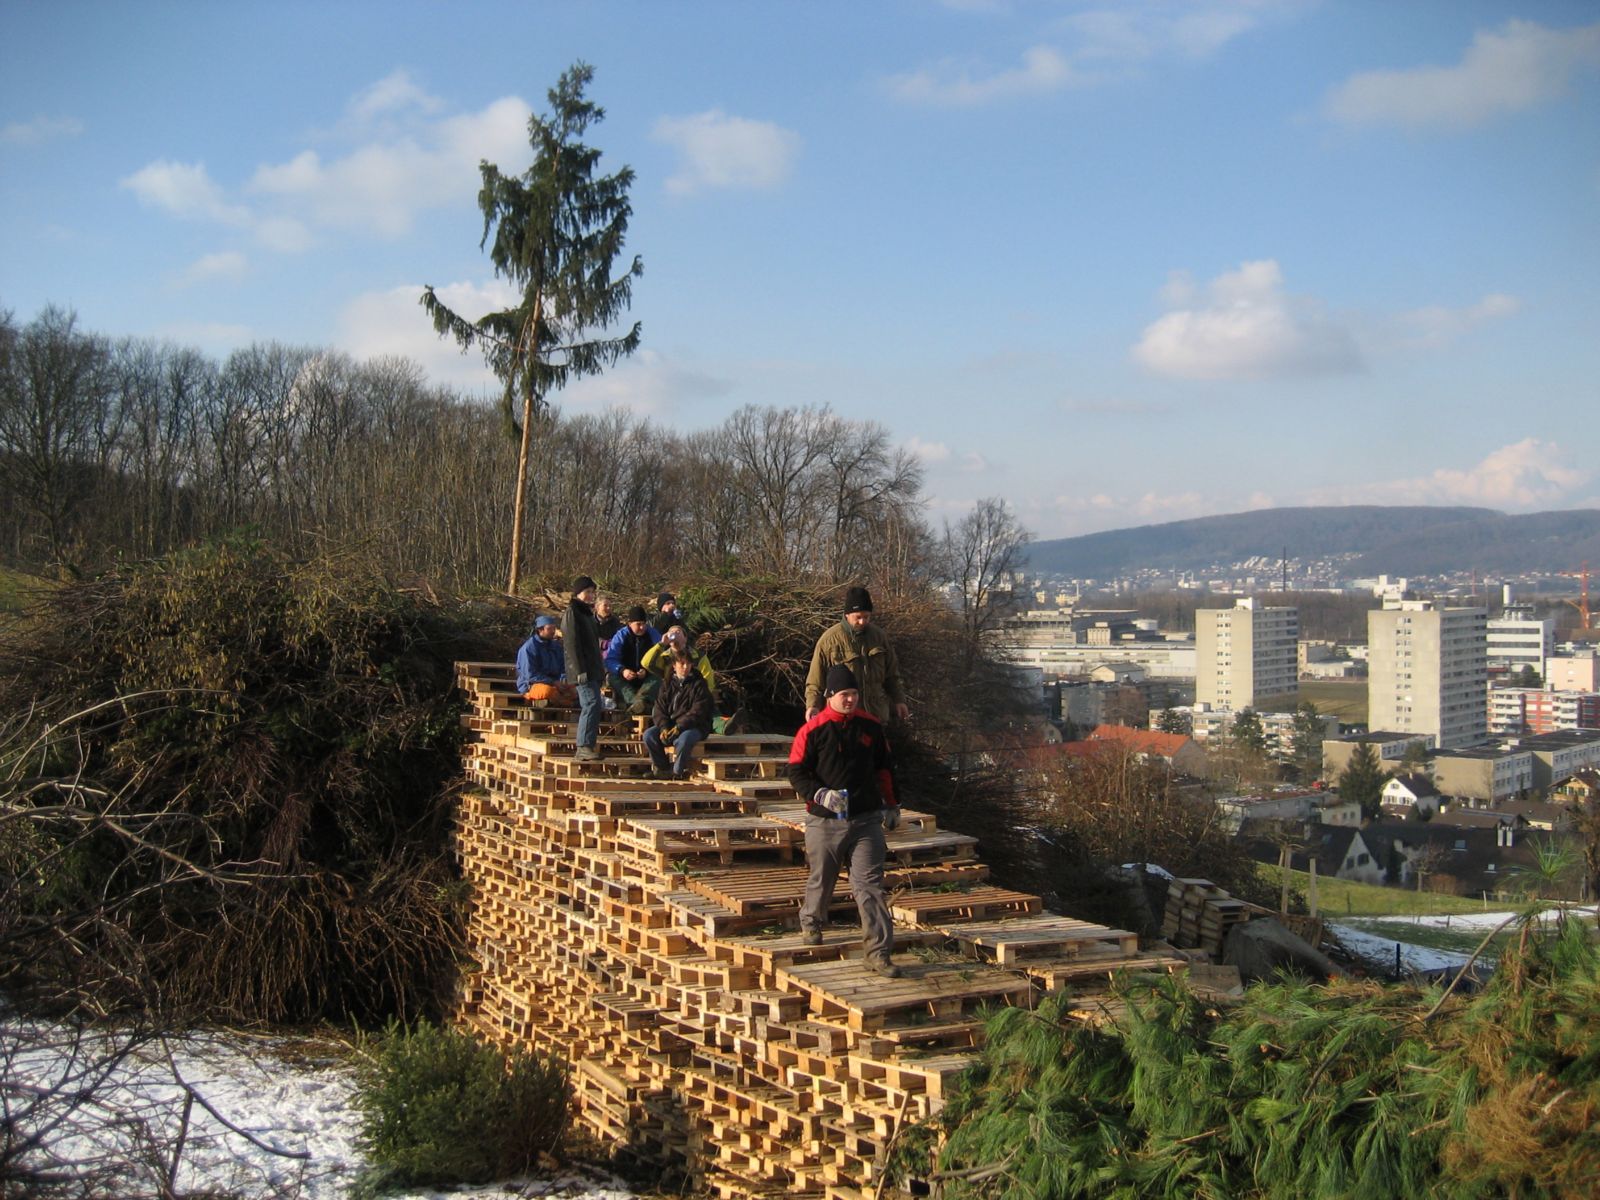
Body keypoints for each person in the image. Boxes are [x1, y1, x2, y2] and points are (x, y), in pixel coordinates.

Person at [787, 663, 903, 977]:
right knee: (822, 877)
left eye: (853, 694)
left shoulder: (871, 726)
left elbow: (885, 768)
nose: (850, 699)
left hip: (866, 820)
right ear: (829, 696)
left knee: (870, 887)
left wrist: (892, 804)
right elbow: (795, 771)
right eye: (843, 694)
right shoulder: (813, 730)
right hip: (824, 821)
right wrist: (819, 794)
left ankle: (878, 954)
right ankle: (811, 921)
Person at [804, 586, 909, 726]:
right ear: (847, 614)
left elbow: (892, 676)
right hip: (843, 720)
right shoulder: (829, 640)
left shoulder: (879, 637)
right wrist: (813, 705)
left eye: (866, 617)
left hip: (876, 717)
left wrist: (899, 700)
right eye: (858, 617)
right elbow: (815, 681)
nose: (862, 621)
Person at [644, 651, 714, 780]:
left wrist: (679, 727)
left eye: (688, 664)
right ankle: (662, 769)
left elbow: (698, 711)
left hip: (695, 726)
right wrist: (664, 727)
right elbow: (659, 708)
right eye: (682, 664)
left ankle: (677, 772)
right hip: (671, 725)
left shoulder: (699, 684)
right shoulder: (667, 683)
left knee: (684, 739)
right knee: (649, 735)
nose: (685, 667)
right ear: (674, 665)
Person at [561, 575, 605, 760]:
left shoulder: (586, 614)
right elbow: (571, 644)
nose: (591, 595)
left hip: (592, 669)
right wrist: (579, 671)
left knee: (594, 704)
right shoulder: (573, 612)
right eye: (587, 592)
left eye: (592, 592)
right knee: (591, 703)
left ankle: (587, 745)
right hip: (582, 671)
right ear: (578, 593)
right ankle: (583, 746)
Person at [605, 605, 662, 715]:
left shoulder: (653, 635)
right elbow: (611, 659)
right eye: (638, 624)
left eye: (644, 624)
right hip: (624, 676)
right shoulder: (621, 636)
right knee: (612, 678)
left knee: (659, 677)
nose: (642, 627)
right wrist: (622, 670)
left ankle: (639, 702)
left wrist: (647, 671)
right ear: (630, 623)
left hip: (646, 677)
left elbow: (661, 657)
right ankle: (637, 702)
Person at [515, 615, 577, 706]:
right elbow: (530, 675)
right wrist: (552, 682)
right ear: (540, 630)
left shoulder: (555, 646)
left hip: (555, 683)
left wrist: (563, 680)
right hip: (531, 685)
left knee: (574, 689)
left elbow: (563, 666)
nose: (553, 631)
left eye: (554, 628)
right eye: (549, 629)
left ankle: (568, 702)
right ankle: (567, 704)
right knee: (548, 691)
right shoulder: (529, 648)